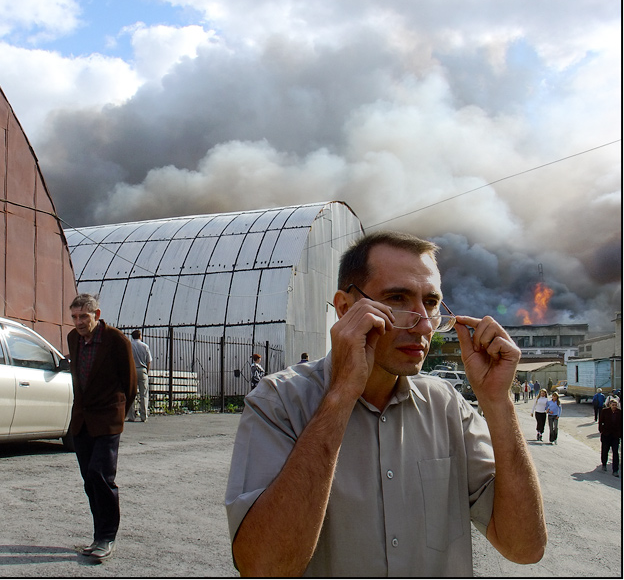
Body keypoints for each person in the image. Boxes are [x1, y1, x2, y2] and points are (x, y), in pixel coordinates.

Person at [225, 231, 546, 576]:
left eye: (432, 303)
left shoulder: (447, 407)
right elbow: (263, 568)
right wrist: (340, 396)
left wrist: (498, 403)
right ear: (345, 308)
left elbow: (525, 547)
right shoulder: (280, 401)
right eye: (397, 298)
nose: (423, 324)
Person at [67, 293, 137, 561]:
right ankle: (99, 535)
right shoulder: (74, 339)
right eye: (74, 317)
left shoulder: (116, 340)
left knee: (101, 476)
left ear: (97, 315)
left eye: (84, 316)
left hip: (108, 419)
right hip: (82, 420)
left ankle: (108, 537)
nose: (79, 322)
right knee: (89, 480)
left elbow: (130, 382)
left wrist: (118, 411)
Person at [128, 330, 152, 423]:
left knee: (131, 394)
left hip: (132, 370)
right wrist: (147, 371)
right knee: (144, 394)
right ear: (140, 336)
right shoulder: (145, 346)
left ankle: (131, 416)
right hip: (142, 370)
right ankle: (144, 416)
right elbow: (149, 361)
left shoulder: (129, 345)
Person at [598, 397, 622, 477]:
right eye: (613, 405)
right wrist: (601, 431)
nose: (614, 406)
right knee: (605, 450)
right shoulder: (605, 411)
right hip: (606, 434)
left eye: (615, 405)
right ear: (610, 405)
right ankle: (604, 463)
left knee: (615, 452)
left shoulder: (620, 413)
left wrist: (620, 434)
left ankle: (615, 470)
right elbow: (601, 421)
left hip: (615, 435)